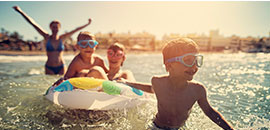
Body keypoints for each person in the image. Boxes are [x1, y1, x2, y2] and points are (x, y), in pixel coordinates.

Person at [120, 38, 234, 129]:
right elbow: (151, 88)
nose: (194, 66)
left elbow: (210, 112)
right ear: (169, 66)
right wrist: (127, 83)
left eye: (196, 60)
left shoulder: (197, 90)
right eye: (188, 60)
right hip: (156, 127)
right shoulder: (158, 82)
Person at [13, 6, 92, 75]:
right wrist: (20, 12)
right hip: (49, 67)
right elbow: (33, 24)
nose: (55, 29)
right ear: (50, 27)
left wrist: (87, 24)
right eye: (53, 27)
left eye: (57, 27)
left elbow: (75, 29)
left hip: (61, 66)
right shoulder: (47, 37)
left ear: (59, 28)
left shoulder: (62, 38)